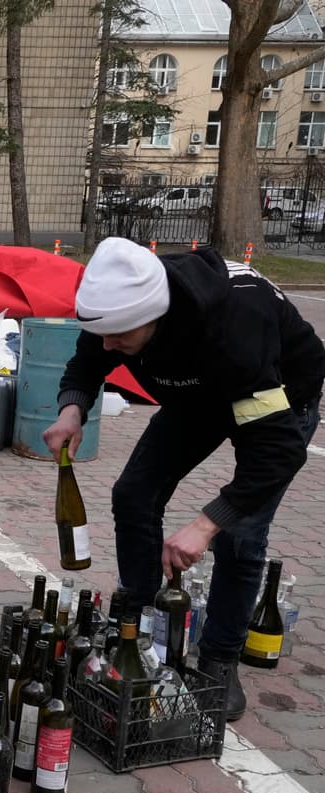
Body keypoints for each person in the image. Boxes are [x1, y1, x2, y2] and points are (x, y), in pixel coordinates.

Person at [43, 237, 324, 721]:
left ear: (156, 316)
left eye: (120, 337)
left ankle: (220, 658)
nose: (110, 344)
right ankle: (137, 629)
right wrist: (73, 410)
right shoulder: (118, 306)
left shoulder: (236, 330)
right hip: (197, 394)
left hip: (275, 396)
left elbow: (277, 454)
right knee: (133, 493)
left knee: (239, 534)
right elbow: (90, 359)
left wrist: (205, 523)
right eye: (104, 333)